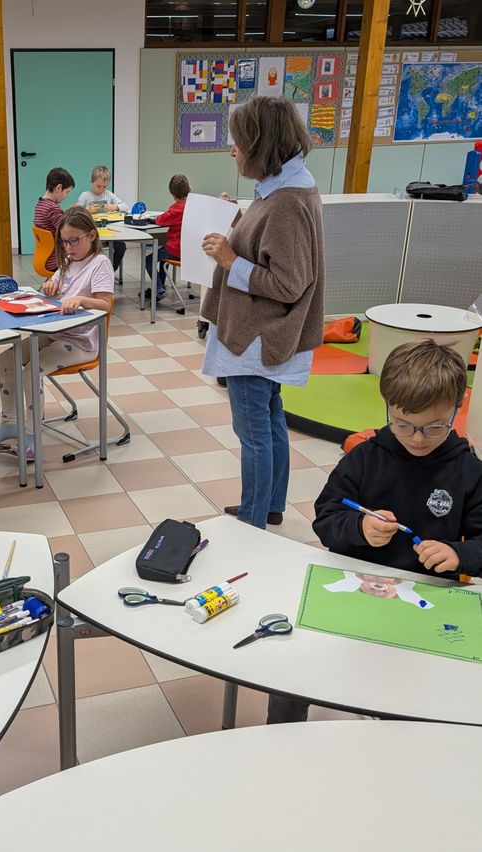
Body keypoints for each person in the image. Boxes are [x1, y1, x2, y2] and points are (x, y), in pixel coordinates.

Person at [268, 339, 482, 724]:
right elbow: (326, 516)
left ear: (456, 408)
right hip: (352, 589)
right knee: (289, 674)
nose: (416, 438)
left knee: (416, 699)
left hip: (423, 603)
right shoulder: (365, 457)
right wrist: (359, 528)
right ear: (387, 406)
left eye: (434, 426)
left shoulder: (469, 472)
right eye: (402, 424)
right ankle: (280, 740)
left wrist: (459, 555)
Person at [201, 96, 324, 530]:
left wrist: (232, 260)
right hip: (263, 334)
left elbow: (288, 283)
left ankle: (252, 523)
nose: (232, 150)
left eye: (238, 142)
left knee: (254, 432)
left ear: (261, 144)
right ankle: (269, 506)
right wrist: (240, 221)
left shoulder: (287, 200)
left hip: (259, 335)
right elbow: (274, 247)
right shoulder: (284, 188)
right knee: (270, 423)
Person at [0, 207, 115, 460]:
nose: (68, 247)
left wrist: (81, 299)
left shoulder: (99, 263)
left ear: (92, 236)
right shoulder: (69, 263)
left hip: (80, 342)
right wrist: (49, 287)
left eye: (74, 241)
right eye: (64, 242)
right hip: (56, 333)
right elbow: (55, 288)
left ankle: (32, 435)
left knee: (30, 372)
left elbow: (106, 304)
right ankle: (9, 424)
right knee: (5, 360)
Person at [78, 165, 128, 276]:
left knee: (121, 247)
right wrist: (87, 210)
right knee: (94, 250)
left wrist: (115, 207)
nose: (101, 190)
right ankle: (91, 273)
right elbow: (76, 213)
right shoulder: (85, 196)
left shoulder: (109, 194)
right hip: (92, 233)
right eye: (98, 186)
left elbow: (126, 206)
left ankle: (110, 271)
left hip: (109, 231)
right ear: (91, 182)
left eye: (104, 187)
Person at [145, 174, 190, 301]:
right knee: (163, 259)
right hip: (189, 251)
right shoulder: (193, 206)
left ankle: (158, 289)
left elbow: (161, 220)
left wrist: (152, 219)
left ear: (172, 194)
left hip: (175, 249)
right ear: (189, 189)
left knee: (149, 259)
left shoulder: (176, 209)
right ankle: (159, 287)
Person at [34, 166, 75, 273]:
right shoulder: (53, 209)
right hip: (56, 261)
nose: (67, 196)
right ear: (58, 188)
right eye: (67, 192)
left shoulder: (40, 204)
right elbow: (67, 233)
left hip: (44, 258)